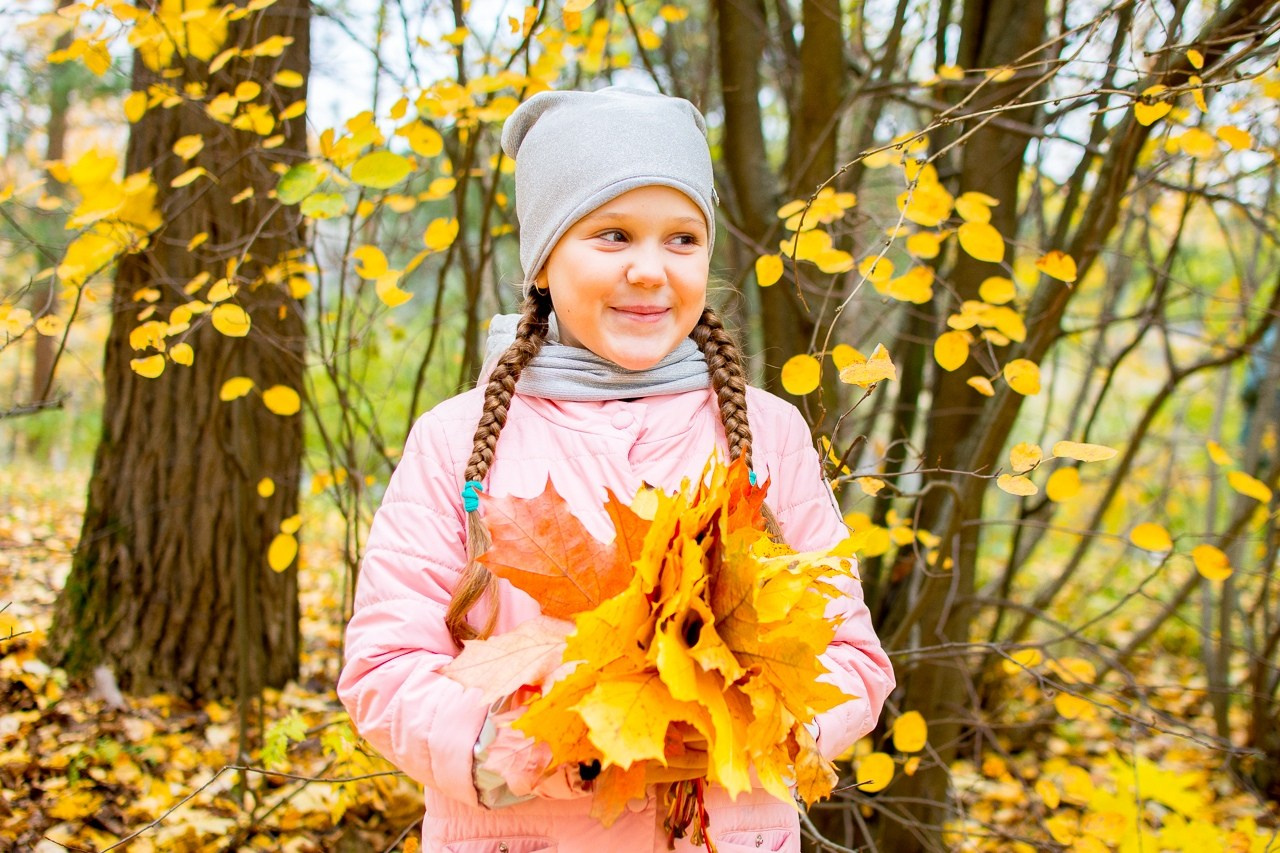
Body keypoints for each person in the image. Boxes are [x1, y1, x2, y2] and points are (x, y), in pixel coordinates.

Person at [337, 86, 895, 853]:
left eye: (681, 239)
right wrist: (529, 746)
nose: (649, 270)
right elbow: (385, 666)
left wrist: (766, 727)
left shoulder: (768, 434)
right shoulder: (457, 440)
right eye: (612, 235)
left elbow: (851, 657)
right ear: (542, 263)